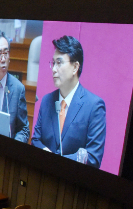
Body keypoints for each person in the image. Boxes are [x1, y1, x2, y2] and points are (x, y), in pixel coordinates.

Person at [31, 35, 106, 168]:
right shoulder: (46, 101)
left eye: (59, 63)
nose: (54, 69)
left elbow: (93, 157)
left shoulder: (94, 106)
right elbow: (36, 140)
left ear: (75, 67)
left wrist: (56, 162)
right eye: (53, 63)